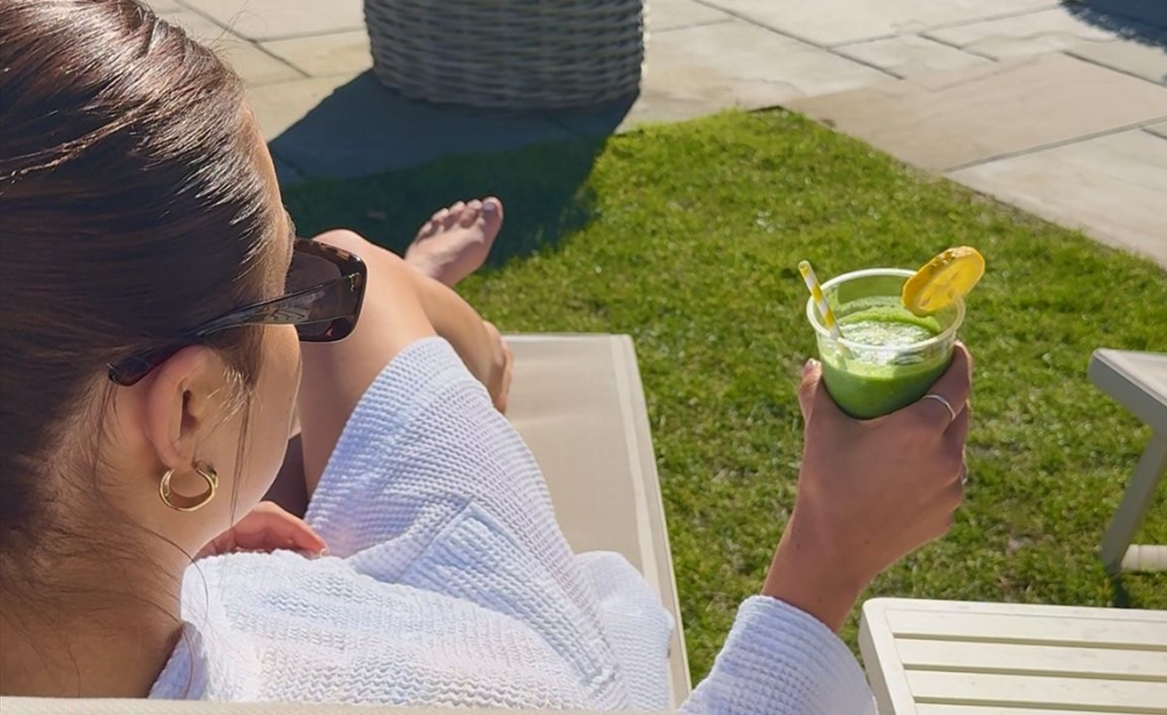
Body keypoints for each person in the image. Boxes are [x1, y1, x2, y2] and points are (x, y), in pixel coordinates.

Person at [0, 1, 972, 713]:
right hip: (475, 599)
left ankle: (416, 295)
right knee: (361, 269)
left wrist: (184, 543)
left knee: (357, 274)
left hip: (217, 566)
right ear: (183, 413)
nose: (300, 306)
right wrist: (828, 556)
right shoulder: (493, 693)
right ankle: (456, 332)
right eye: (286, 291)